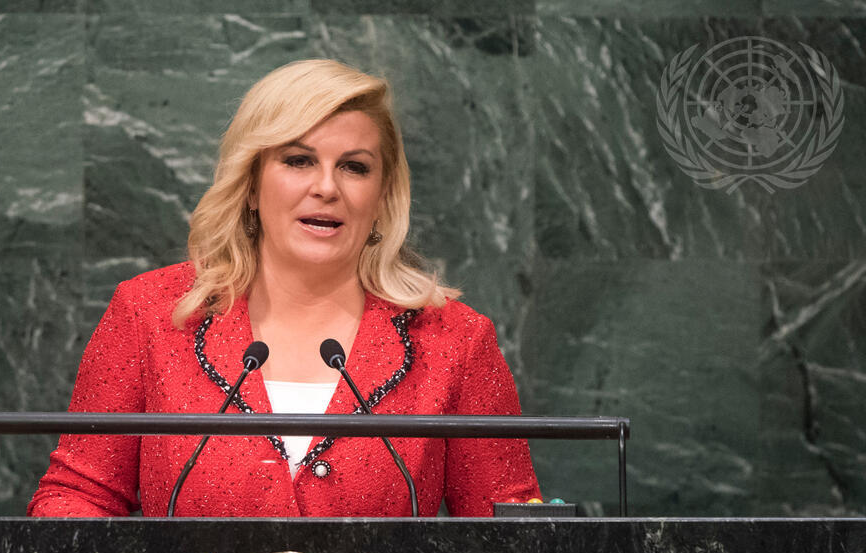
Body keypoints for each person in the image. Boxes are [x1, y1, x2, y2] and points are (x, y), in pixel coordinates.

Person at [28, 59, 539, 518]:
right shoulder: (151, 313)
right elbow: (77, 496)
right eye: (298, 160)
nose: (326, 187)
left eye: (354, 167)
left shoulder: (455, 340)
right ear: (250, 184)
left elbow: (510, 539)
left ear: (383, 197)